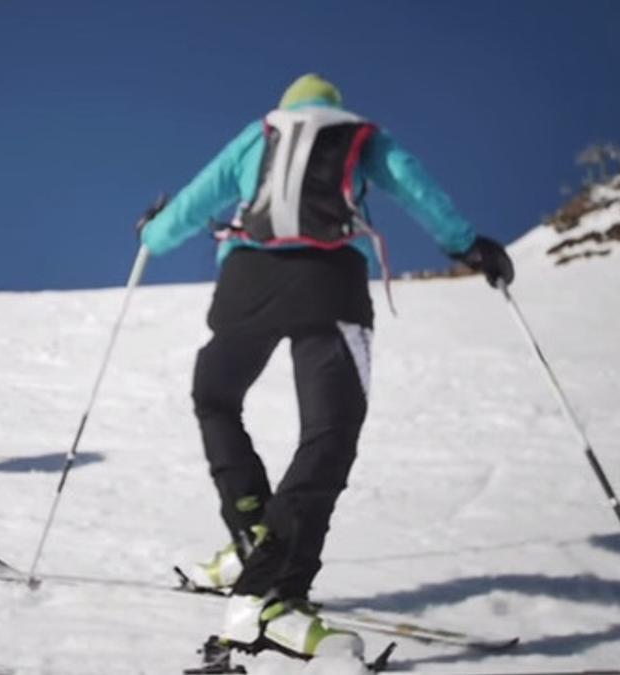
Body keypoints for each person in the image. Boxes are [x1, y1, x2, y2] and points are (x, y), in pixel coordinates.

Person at [138, 74, 513, 660]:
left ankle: (251, 535)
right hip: (331, 285)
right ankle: (274, 593)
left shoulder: (258, 135)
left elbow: (192, 202)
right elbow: (418, 190)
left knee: (216, 398)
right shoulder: (362, 139)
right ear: (336, 112)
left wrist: (155, 232)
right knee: (329, 432)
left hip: (247, 285)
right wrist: (468, 246)